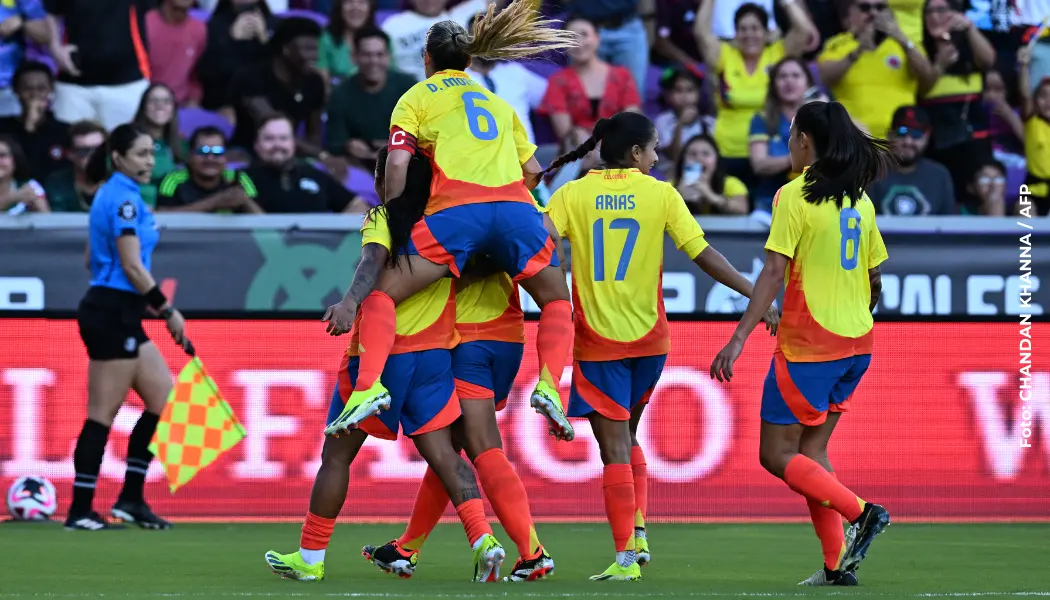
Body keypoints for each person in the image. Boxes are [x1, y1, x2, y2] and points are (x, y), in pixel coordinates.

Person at [321, 1, 580, 447]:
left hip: (456, 213)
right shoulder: (497, 103)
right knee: (557, 300)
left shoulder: (415, 97)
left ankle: (368, 388)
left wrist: (398, 214)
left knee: (381, 294)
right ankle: (550, 385)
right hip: (516, 211)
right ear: (468, 60)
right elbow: (534, 170)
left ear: (427, 59)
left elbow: (397, 162)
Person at [542, 111, 779, 581]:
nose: (655, 158)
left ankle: (626, 560)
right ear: (635, 153)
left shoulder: (573, 194)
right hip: (651, 340)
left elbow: (537, 241)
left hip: (599, 340)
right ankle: (639, 533)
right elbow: (703, 255)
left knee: (613, 449)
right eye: (653, 150)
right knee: (627, 438)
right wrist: (754, 292)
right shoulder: (661, 194)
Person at [265, 149, 507, 584]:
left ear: (383, 179)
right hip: (432, 356)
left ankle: (310, 557)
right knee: (444, 456)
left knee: (337, 456)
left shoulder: (383, 216)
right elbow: (488, 261)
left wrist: (349, 301)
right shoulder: (450, 224)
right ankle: (483, 540)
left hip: (378, 356)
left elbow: (372, 260)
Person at [709, 100, 893, 585]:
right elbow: (874, 279)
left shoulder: (794, 195)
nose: (789, 144)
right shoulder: (859, 199)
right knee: (811, 455)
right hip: (857, 344)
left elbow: (774, 271)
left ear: (804, 142)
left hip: (811, 345)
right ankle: (835, 567)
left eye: (790, 135)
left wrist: (738, 338)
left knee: (775, 455)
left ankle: (862, 513)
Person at [359, 155, 555, 583]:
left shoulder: (446, 214)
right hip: (507, 332)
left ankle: (532, 552)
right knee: (451, 448)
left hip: (469, 337)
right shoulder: (511, 204)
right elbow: (546, 234)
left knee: (480, 445)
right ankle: (406, 547)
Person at [66, 124, 189, 531]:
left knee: (163, 400)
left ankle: (131, 500)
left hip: (118, 310)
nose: (149, 161)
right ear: (118, 157)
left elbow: (90, 258)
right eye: (140, 154)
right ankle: (80, 510)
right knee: (101, 414)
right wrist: (167, 310)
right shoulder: (124, 201)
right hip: (111, 312)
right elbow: (132, 265)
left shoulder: (115, 194)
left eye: (152, 153)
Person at [694, 0, 818, 189]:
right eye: (742, 29)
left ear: (766, 32)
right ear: (735, 33)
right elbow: (701, 33)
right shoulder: (724, 55)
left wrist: (787, 2)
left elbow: (802, 30)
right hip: (727, 151)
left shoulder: (777, 54)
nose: (749, 34)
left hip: (770, 155)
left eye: (755, 28)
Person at [865, 105, 956, 215]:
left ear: (927, 138)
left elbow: (949, 222)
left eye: (916, 135)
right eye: (901, 133)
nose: (908, 141)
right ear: (889, 135)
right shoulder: (873, 171)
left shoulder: (940, 175)